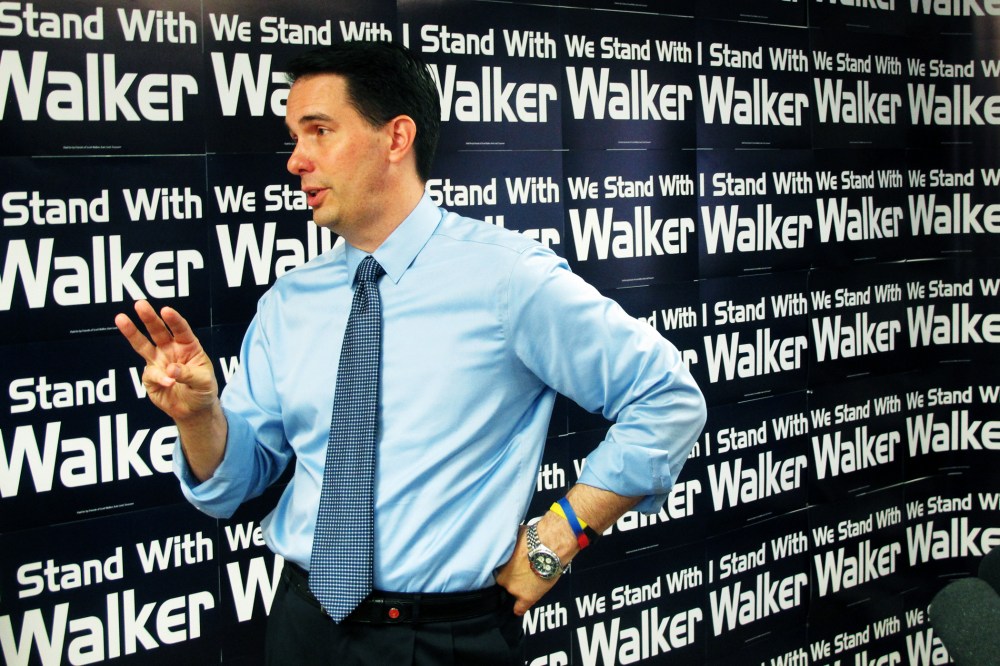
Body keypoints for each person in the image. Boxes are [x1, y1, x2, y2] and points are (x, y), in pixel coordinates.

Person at [115, 40, 706, 665]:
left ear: (396, 138)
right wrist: (199, 419)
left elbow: (667, 399)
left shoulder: (508, 279)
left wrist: (558, 536)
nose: (296, 160)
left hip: (442, 640)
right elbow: (233, 484)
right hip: (303, 625)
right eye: (295, 137)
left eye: (319, 131)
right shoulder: (289, 303)